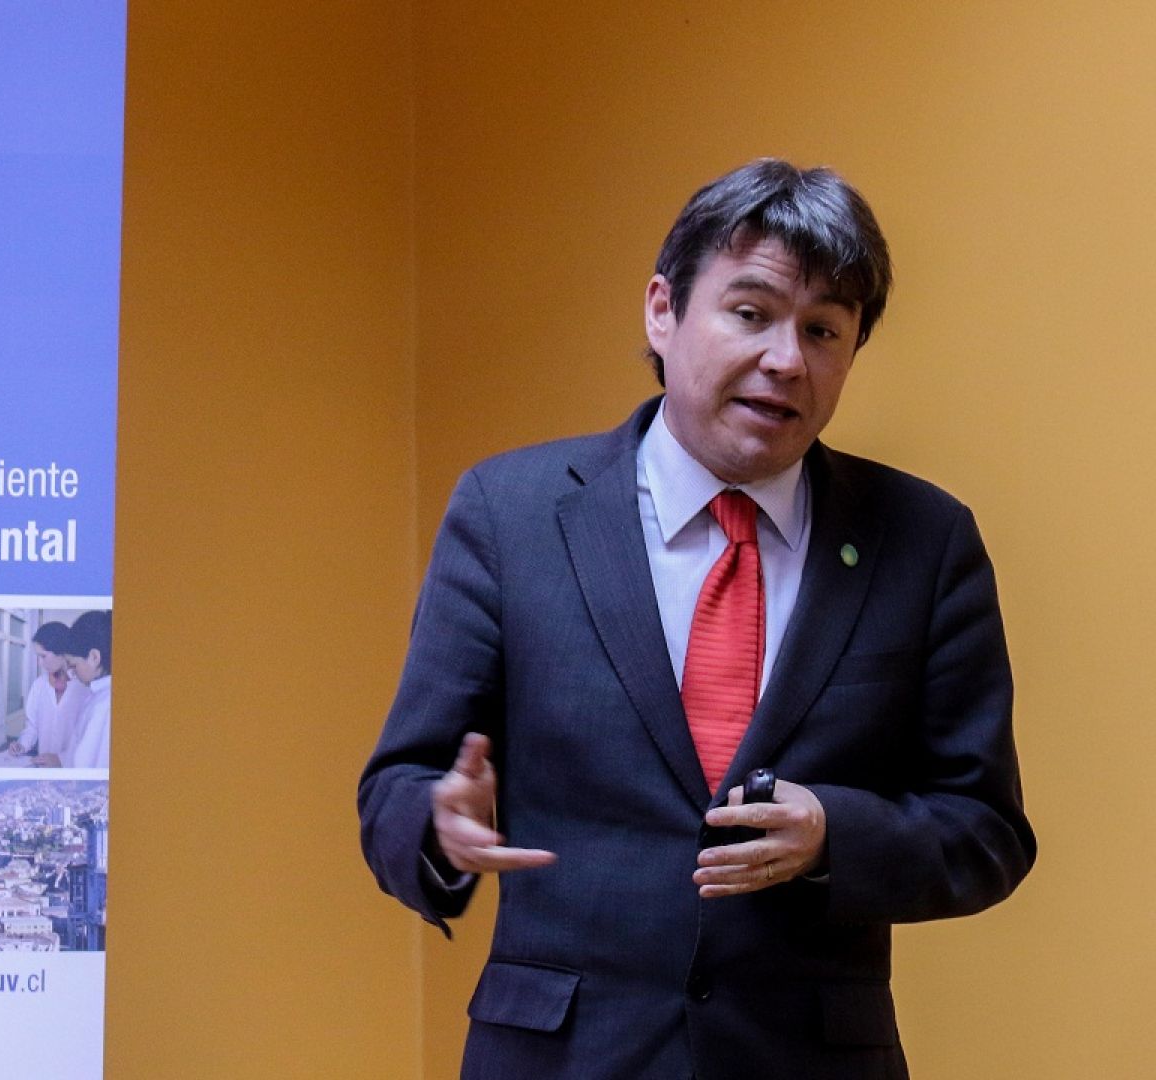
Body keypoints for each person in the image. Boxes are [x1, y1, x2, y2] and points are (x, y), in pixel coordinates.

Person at [356, 159, 1034, 1079]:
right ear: (662, 312)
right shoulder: (511, 514)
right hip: (563, 1057)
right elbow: (398, 784)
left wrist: (833, 834)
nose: (786, 359)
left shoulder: (922, 540)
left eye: (823, 330)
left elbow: (985, 830)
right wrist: (438, 826)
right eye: (751, 313)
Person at [15, 621, 88, 765]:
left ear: (61, 653)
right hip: (42, 767)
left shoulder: (84, 688)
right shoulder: (39, 685)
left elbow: (87, 739)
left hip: (73, 769)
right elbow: (32, 727)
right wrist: (22, 745)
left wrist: (61, 759)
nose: (40, 663)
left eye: (43, 656)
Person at [60, 611, 111, 770]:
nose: (71, 673)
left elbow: (84, 765)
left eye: (73, 665)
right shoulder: (98, 695)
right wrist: (60, 759)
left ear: (94, 657)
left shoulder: (104, 705)